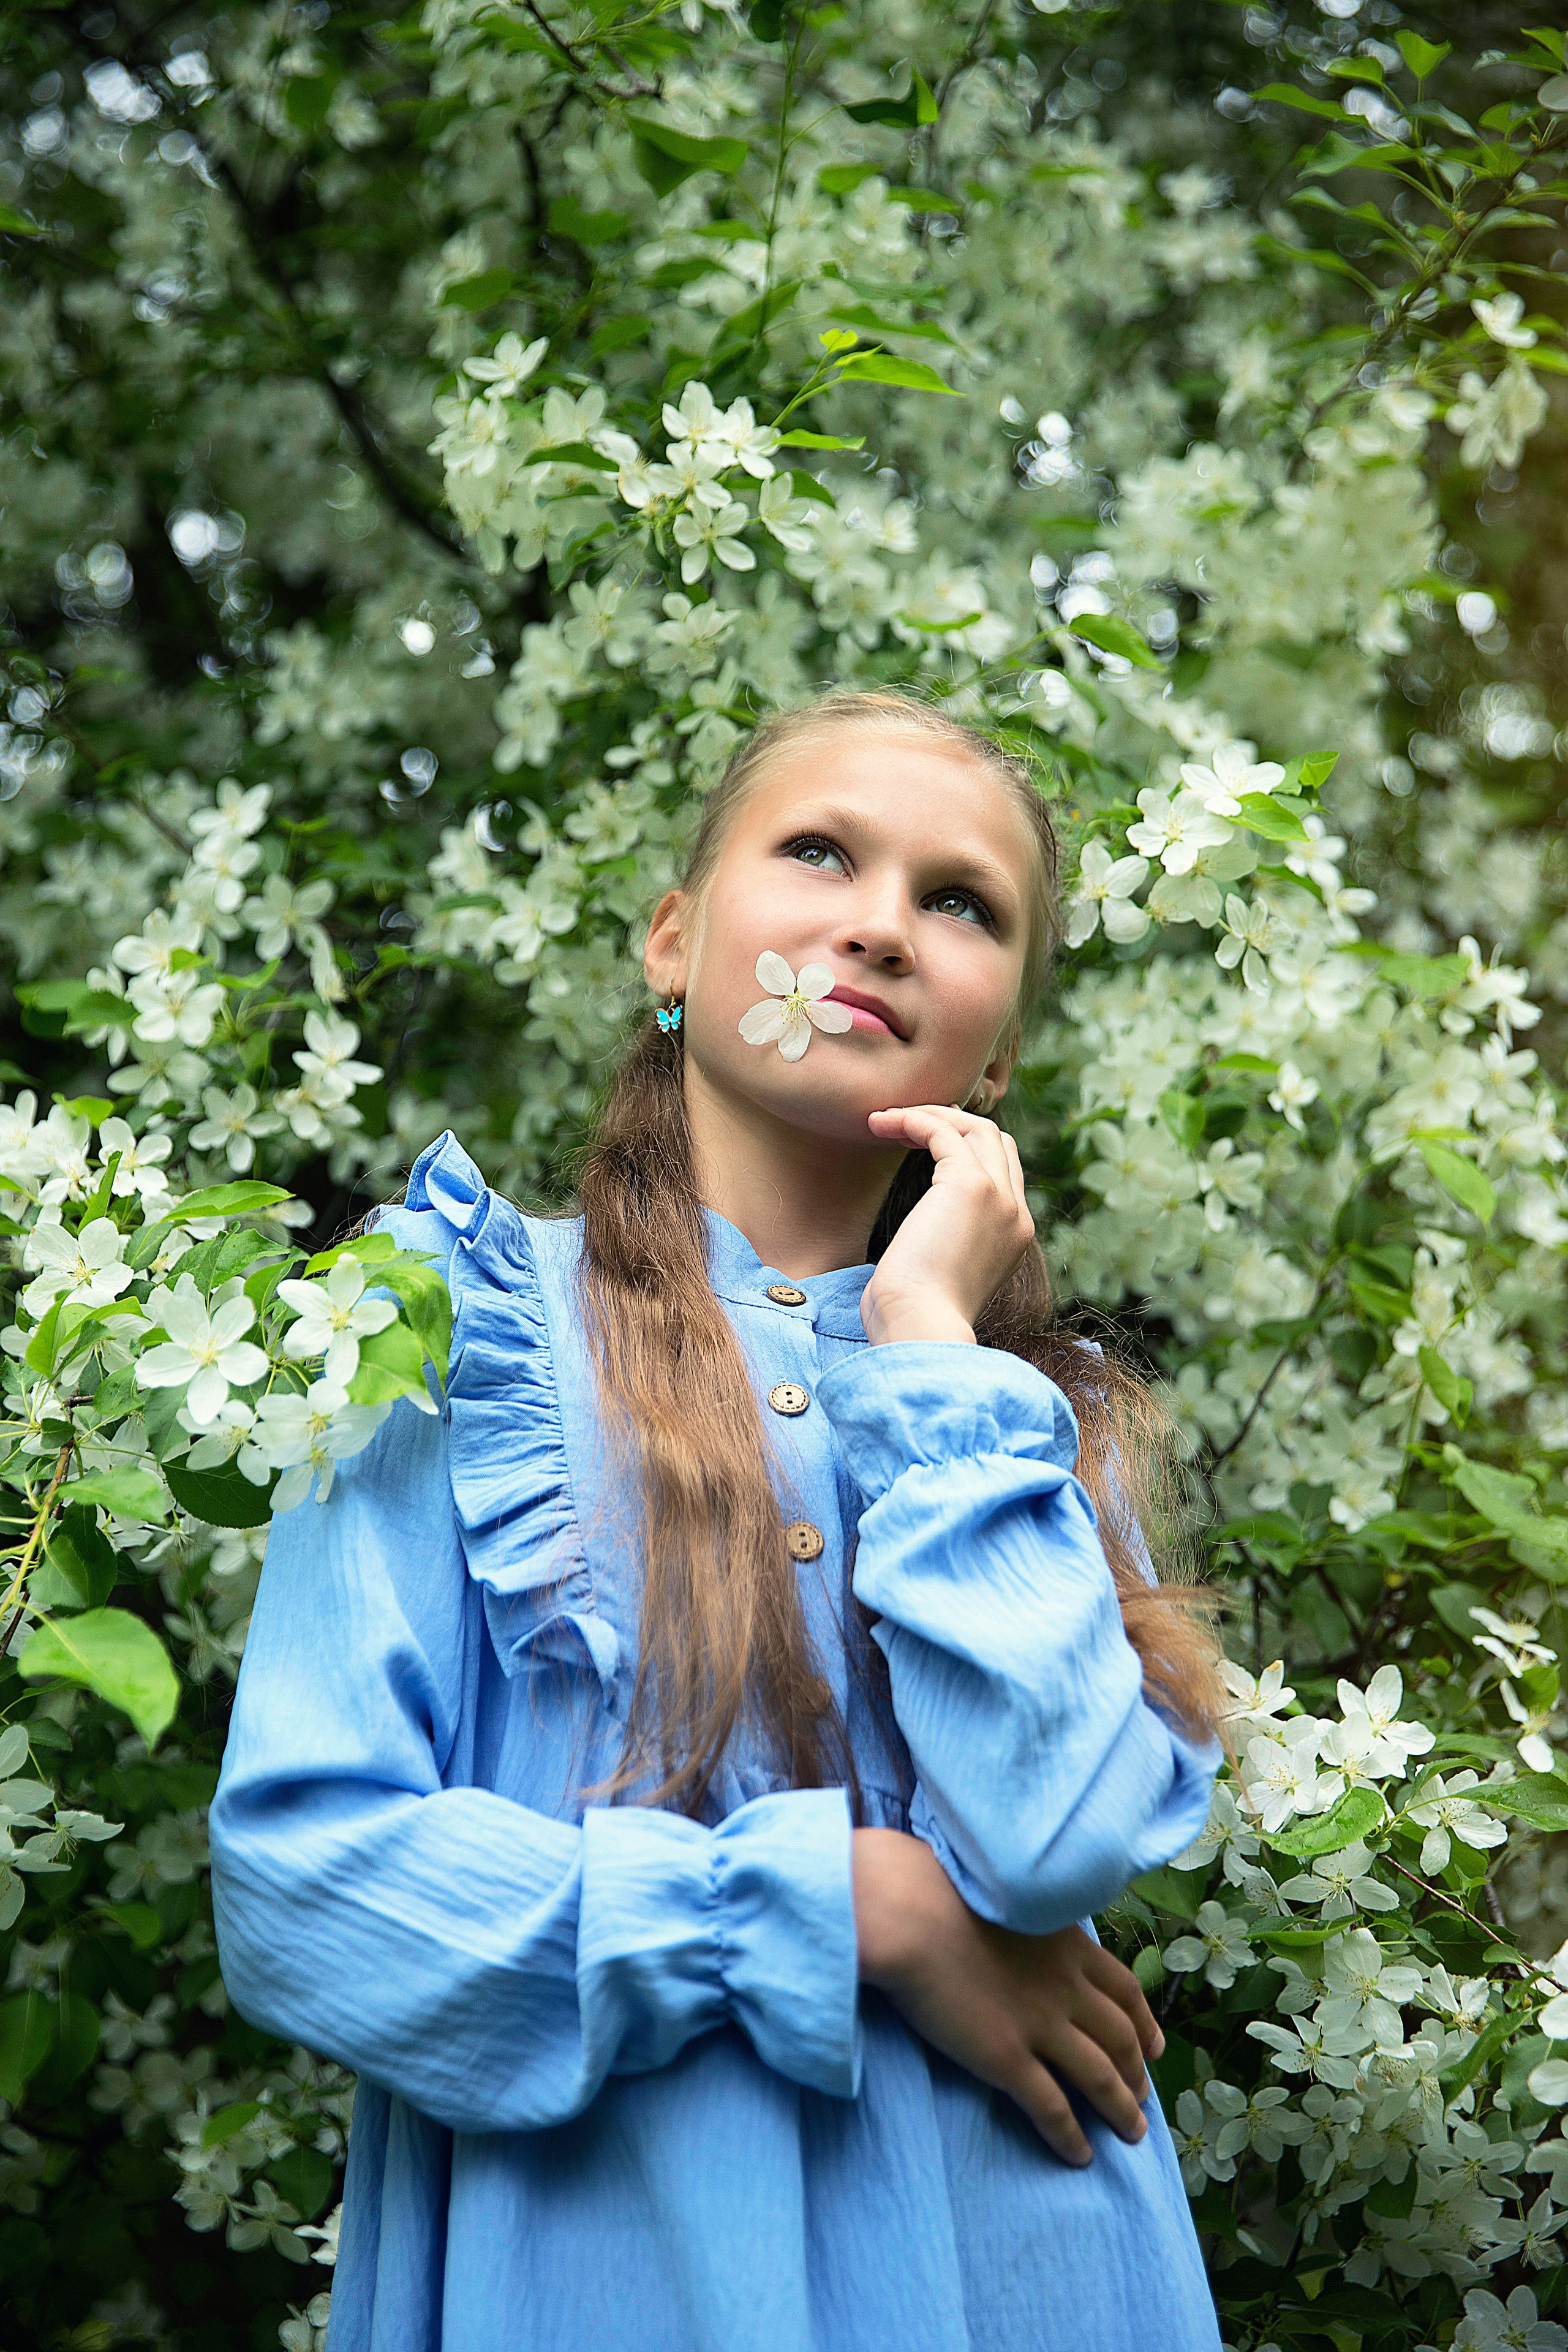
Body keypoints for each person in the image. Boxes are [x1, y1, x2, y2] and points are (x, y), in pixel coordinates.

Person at [210, 690, 1226, 2352]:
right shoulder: (455, 1327)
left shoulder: (1035, 1414)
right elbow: (309, 1888)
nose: (880, 923)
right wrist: (855, 1908)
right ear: (674, 945)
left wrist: (926, 1344)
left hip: (1030, 2271)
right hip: (602, 2273)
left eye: (960, 902)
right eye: (821, 851)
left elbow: (1056, 1842)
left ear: (996, 1055)